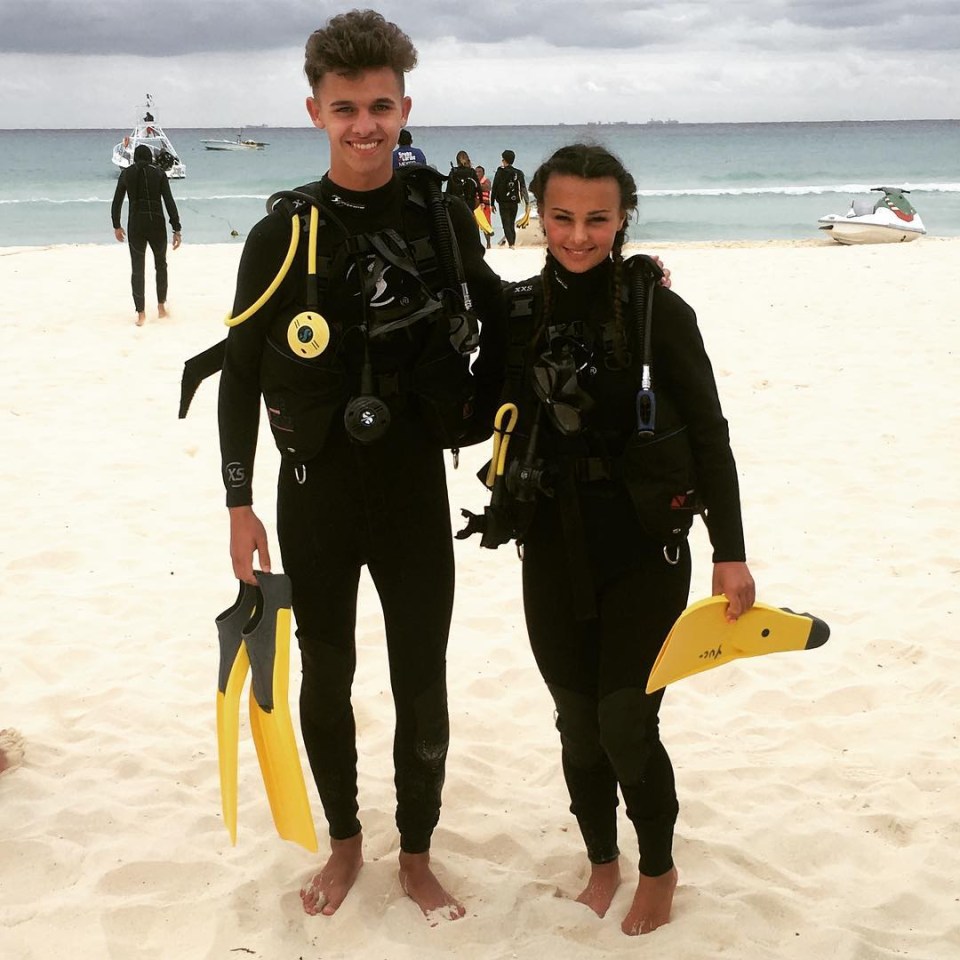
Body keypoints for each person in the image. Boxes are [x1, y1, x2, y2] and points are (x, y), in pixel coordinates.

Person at [217, 9, 505, 921]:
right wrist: (237, 503)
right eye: (345, 108)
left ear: (404, 105)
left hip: (416, 489)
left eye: (380, 106)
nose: (364, 125)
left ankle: (415, 852)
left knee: (423, 676)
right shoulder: (282, 235)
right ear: (315, 111)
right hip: (314, 495)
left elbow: (508, 310)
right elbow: (237, 376)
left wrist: (613, 276)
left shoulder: (441, 218)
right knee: (327, 675)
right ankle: (347, 844)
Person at [459, 143, 755, 935]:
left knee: (627, 720)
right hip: (551, 544)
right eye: (561, 217)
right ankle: (601, 861)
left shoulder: (662, 312)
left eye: (597, 218)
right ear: (539, 215)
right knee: (576, 722)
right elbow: (469, 410)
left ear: (625, 217)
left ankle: (656, 868)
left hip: (645, 548)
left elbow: (712, 435)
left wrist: (731, 551)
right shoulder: (521, 313)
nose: (579, 236)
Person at [111, 144, 182, 326]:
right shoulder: (159, 173)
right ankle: (161, 308)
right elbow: (169, 201)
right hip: (156, 223)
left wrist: (116, 225)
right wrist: (176, 228)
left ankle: (141, 314)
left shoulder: (126, 174)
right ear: (150, 157)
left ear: (135, 158)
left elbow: (117, 202)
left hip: (136, 224)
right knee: (161, 265)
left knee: (137, 269)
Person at [490, 149, 528, 248]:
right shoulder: (518, 172)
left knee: (505, 224)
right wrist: (527, 202)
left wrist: (492, 203)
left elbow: (495, 187)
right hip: (514, 201)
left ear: (504, 160)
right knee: (511, 223)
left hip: (503, 202)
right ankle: (512, 243)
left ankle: (511, 244)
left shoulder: (500, 172)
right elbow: (523, 188)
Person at [476, 164, 493, 249]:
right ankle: (476, 244)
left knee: (486, 225)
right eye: (476, 172)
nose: (477, 173)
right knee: (475, 226)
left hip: (485, 206)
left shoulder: (486, 181)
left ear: (483, 173)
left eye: (479, 172)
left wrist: (477, 185)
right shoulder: (473, 181)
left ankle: (488, 243)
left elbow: (487, 188)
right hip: (476, 207)